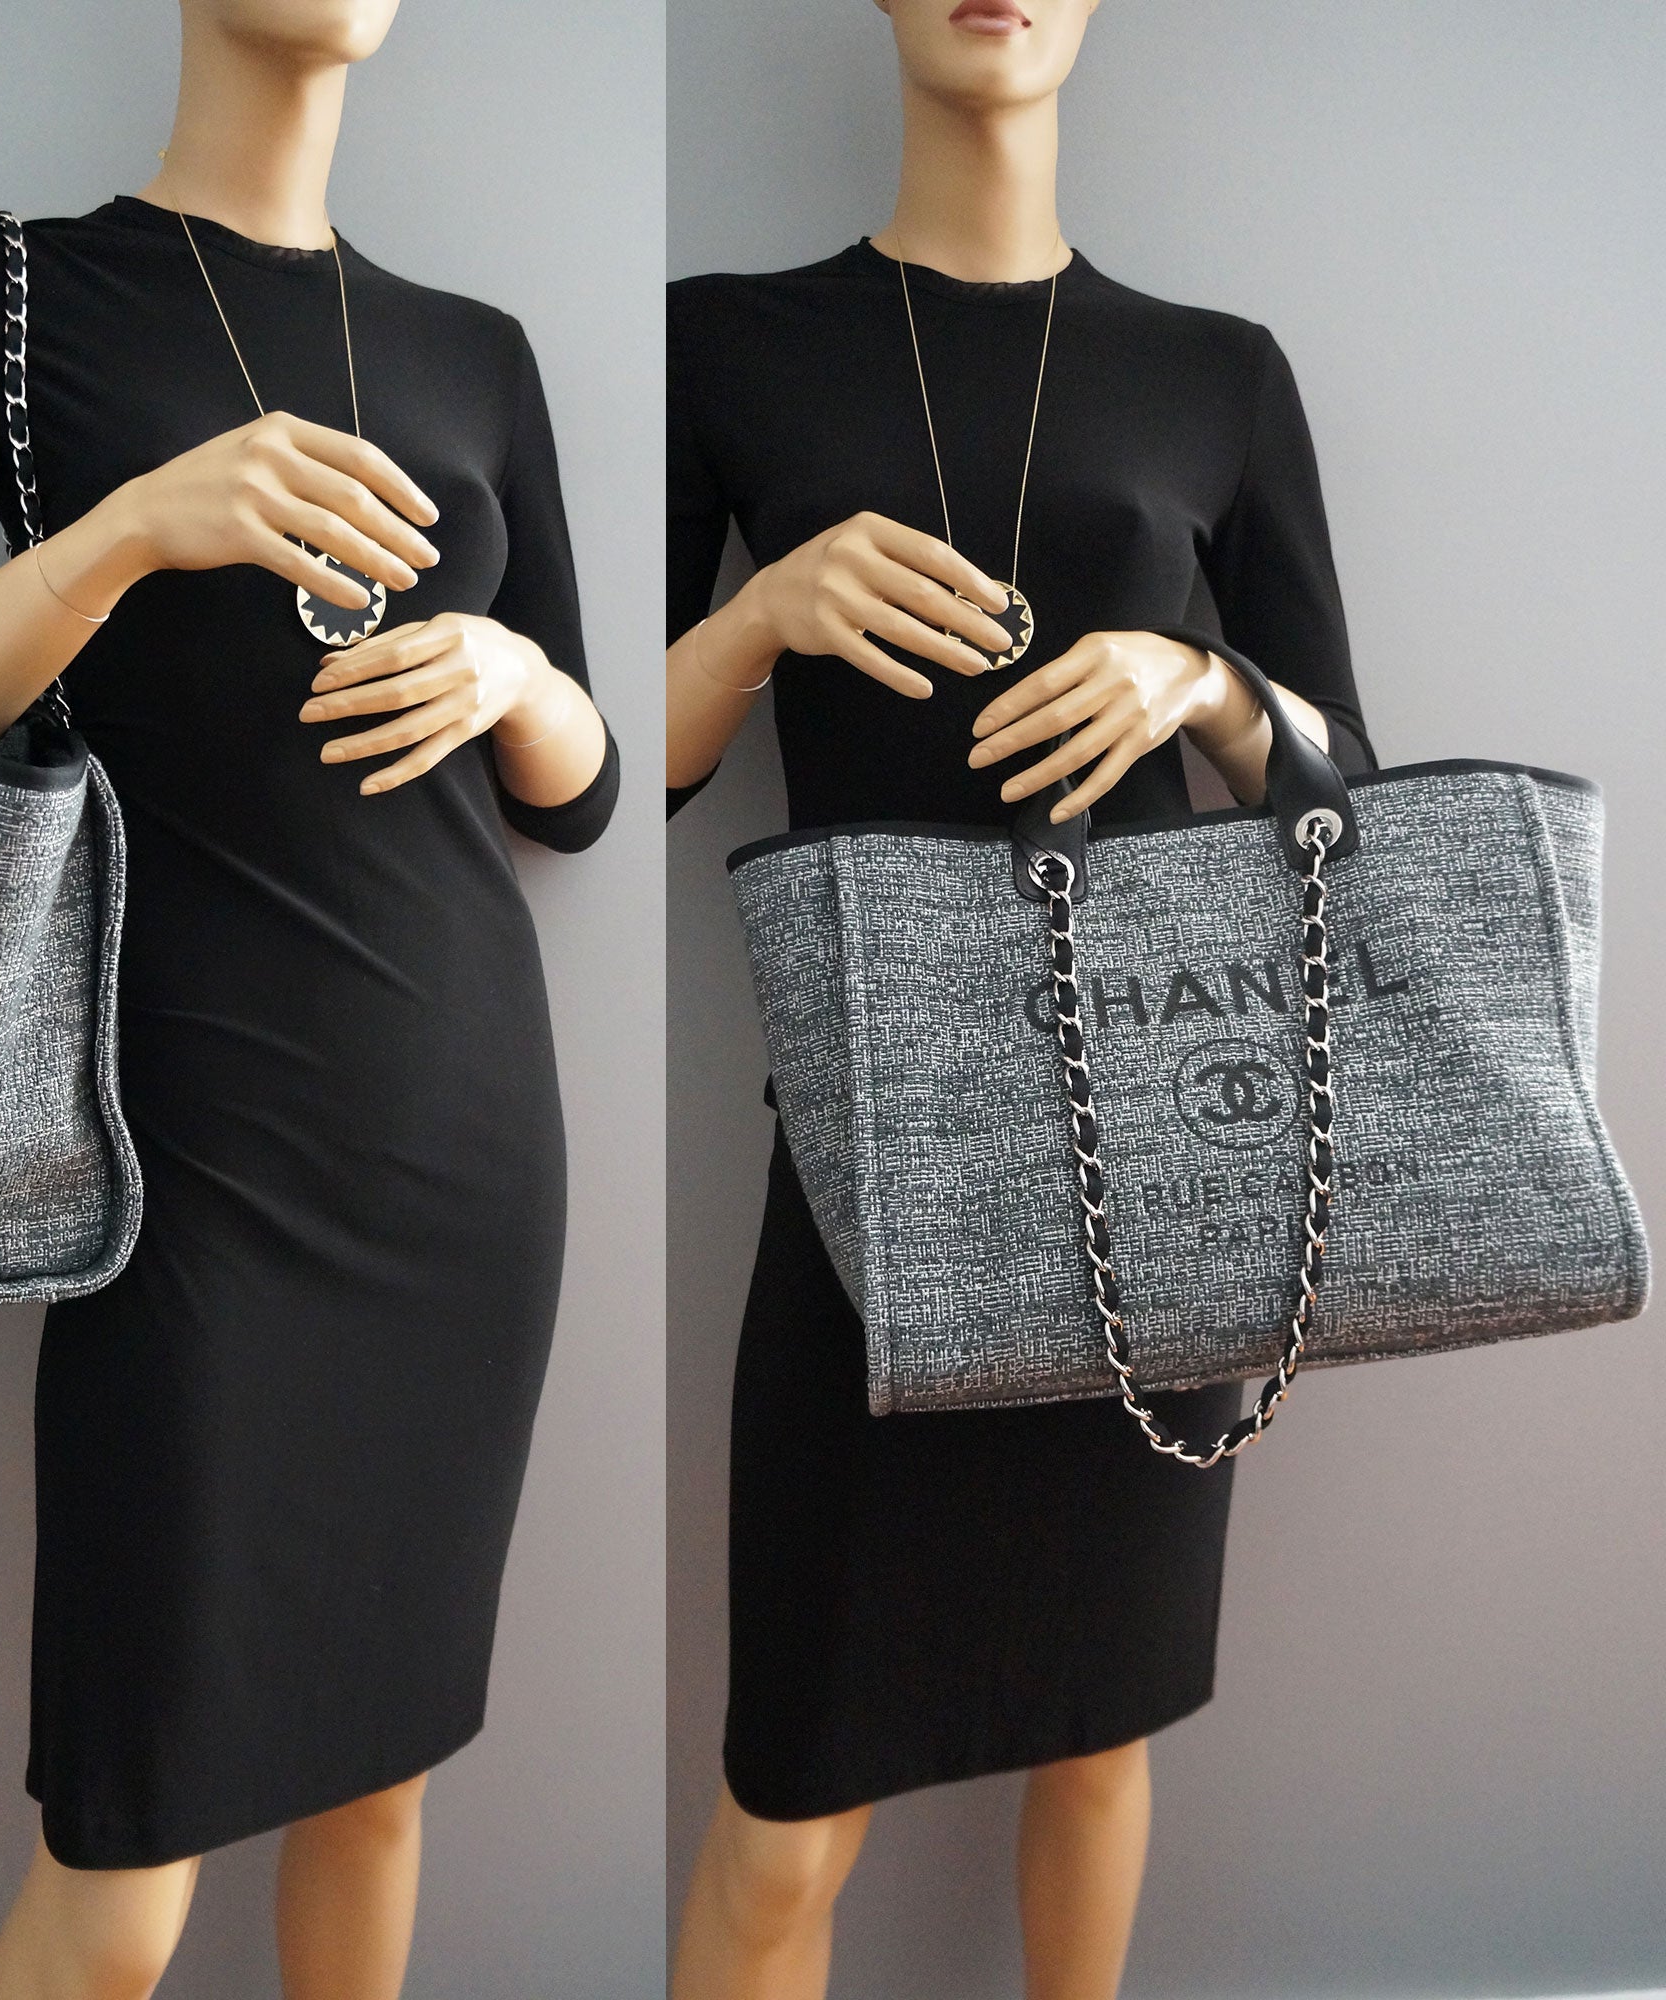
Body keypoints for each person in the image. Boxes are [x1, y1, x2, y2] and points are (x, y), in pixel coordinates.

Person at [0, 2, 617, 1994]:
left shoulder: (476, 349)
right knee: (127, 1846)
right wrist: (130, 533)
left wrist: (515, 676)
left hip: (463, 1145)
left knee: (382, 1782)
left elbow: (578, 802)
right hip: (183, 1169)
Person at [665, 1, 1371, 1993]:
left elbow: (1353, 787)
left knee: (1098, 1734)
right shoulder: (726, 340)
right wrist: (761, 612)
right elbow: (608, 773)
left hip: (1155, 1162)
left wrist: (1203, 682)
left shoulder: (1217, 374)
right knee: (788, 1801)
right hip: (870, 1159)